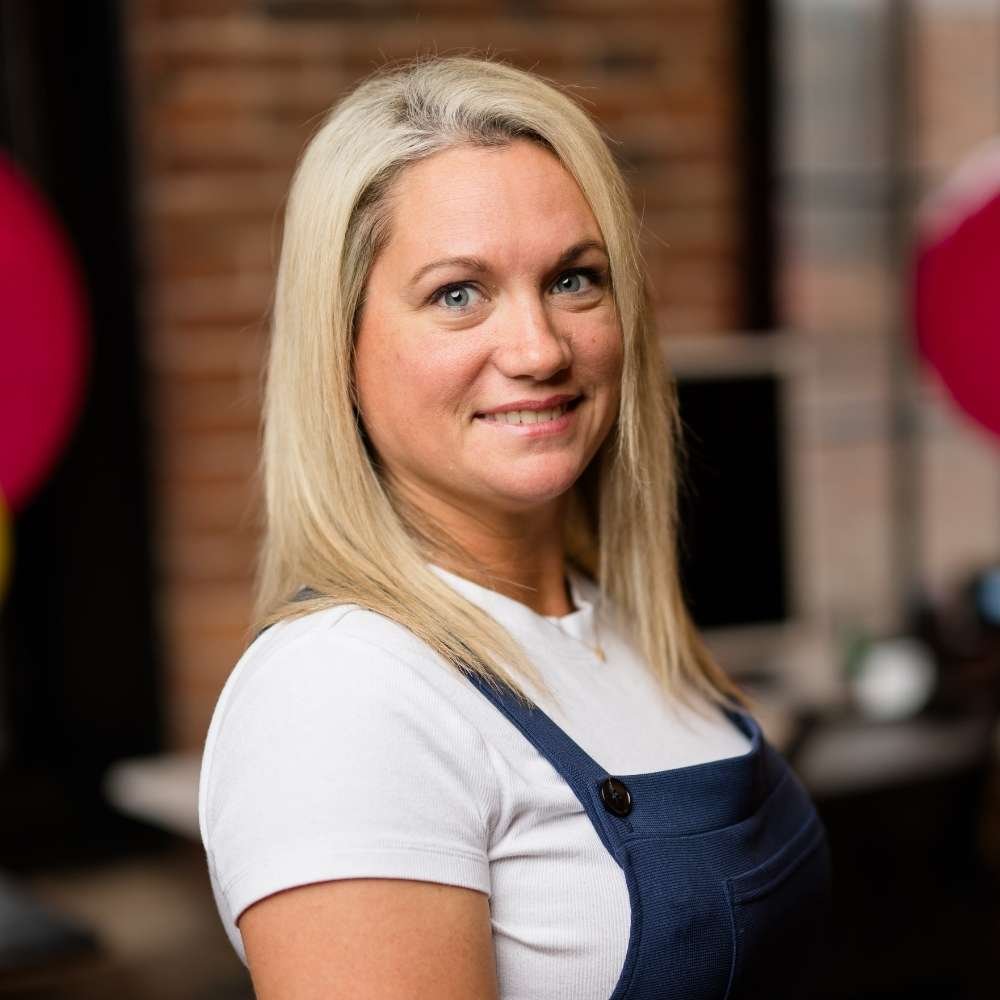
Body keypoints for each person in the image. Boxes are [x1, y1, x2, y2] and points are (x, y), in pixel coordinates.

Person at [198, 54, 831, 1000]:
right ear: (341, 348)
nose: (539, 349)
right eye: (459, 293)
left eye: (575, 280)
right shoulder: (340, 695)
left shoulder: (625, 624)